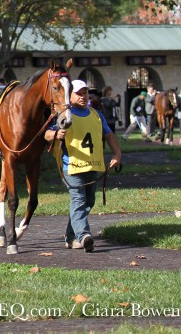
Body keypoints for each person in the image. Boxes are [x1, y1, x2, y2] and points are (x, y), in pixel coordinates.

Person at [45, 79, 122, 252]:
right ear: (69, 96)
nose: (82, 96)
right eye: (78, 93)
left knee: (89, 201)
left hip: (92, 166)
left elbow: (109, 135)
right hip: (71, 167)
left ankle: (71, 235)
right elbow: (47, 134)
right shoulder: (64, 114)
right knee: (78, 200)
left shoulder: (96, 114)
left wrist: (117, 154)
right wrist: (56, 134)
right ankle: (84, 236)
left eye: (85, 92)